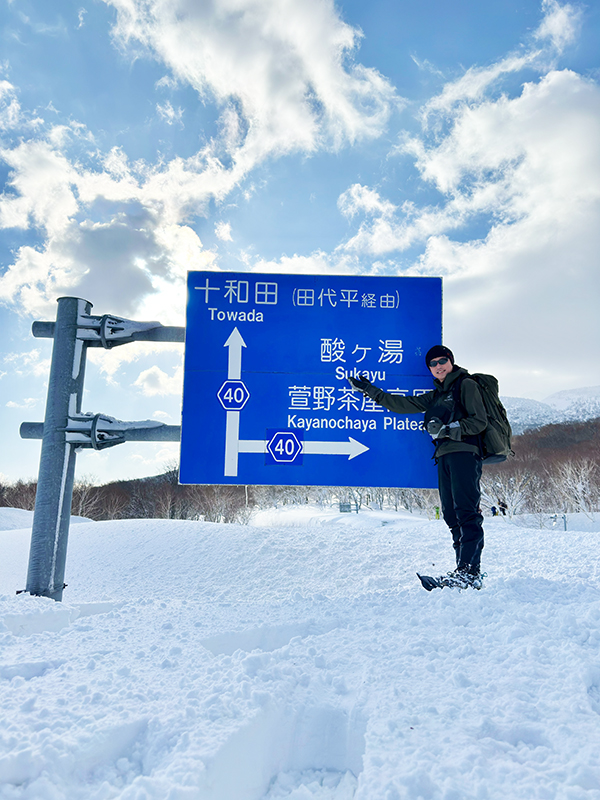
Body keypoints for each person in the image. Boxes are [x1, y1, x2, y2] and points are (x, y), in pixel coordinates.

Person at [348, 345, 488, 589]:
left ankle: (468, 573)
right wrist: (369, 390)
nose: (438, 366)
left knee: (467, 513)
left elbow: (479, 421)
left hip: (465, 453)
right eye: (433, 364)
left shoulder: (466, 385)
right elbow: (403, 404)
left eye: (443, 360)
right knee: (451, 515)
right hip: (444, 455)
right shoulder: (436, 395)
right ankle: (465, 573)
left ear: (451, 361)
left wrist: (448, 429)